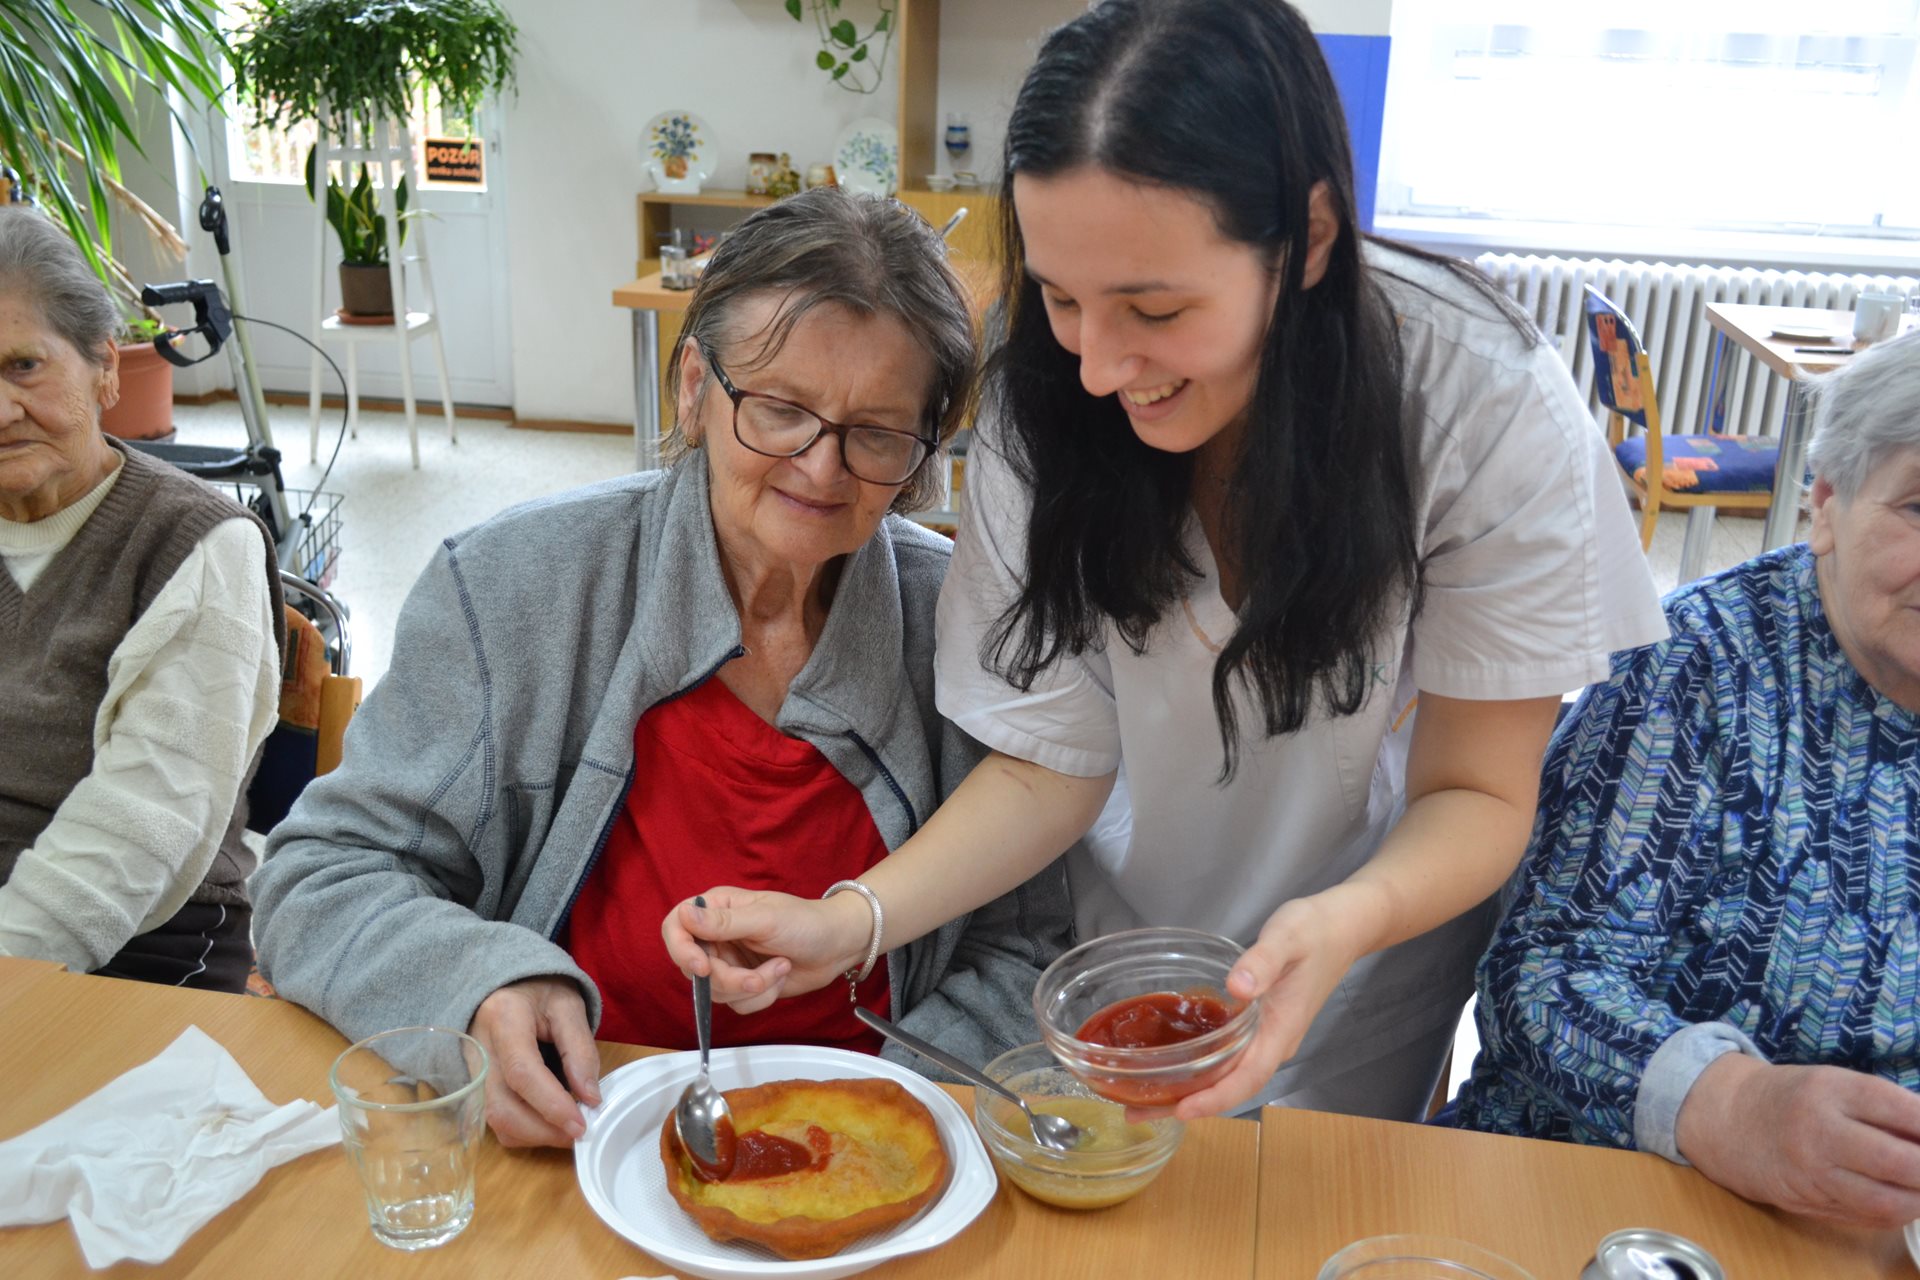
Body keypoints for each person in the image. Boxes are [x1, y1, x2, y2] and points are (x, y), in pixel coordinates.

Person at [664, 0, 1666, 1123]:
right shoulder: (1049, 400)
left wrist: (1347, 919)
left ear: (1309, 238)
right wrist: (850, 920)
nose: (1100, 366)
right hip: (1114, 930)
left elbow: (1477, 789)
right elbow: (1051, 763)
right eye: (1061, 297)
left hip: (1365, 935)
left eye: (1154, 308)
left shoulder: (1482, 405)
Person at [251, 187, 1073, 1148]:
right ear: (693, 387)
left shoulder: (967, 625)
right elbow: (318, 877)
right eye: (780, 410)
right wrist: (476, 986)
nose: (821, 469)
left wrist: (884, 1114)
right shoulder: (513, 588)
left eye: (877, 433)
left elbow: (1028, 951)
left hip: (873, 1145)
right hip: (572, 1132)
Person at [1453, 328, 1920, 1230]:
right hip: (1594, 1197)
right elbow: (1541, 978)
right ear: (1826, 504)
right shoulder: (1692, 667)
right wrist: (1730, 1103)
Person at [0, 205, 283, 990]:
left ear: (104, 367)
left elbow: (140, 827)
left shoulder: (196, 546)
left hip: (144, 944)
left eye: (24, 366)